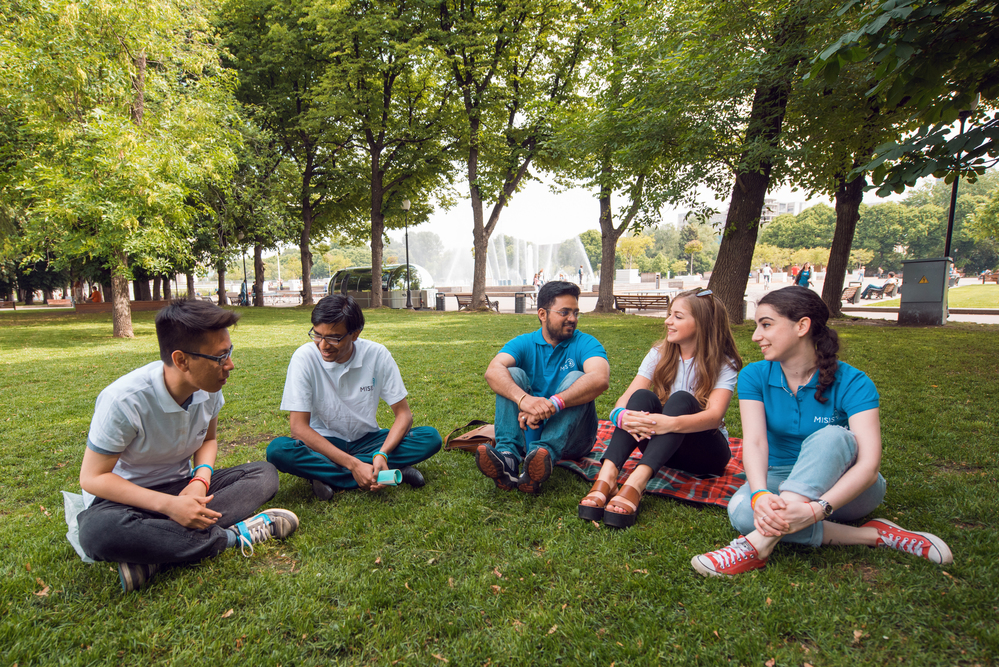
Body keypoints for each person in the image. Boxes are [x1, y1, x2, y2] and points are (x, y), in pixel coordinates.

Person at [691, 286, 952, 577]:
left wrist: (817, 509)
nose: (755, 336)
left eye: (766, 324)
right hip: (780, 476)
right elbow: (755, 442)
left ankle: (758, 544)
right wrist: (760, 494)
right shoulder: (755, 375)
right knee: (743, 512)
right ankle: (873, 535)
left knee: (832, 435)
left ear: (802, 326)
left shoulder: (854, 382)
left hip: (847, 492)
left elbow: (868, 466)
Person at [74, 299, 297, 592]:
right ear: (181, 360)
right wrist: (169, 506)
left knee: (264, 474)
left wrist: (199, 482)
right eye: (220, 357)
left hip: (183, 486)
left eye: (229, 352)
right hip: (128, 500)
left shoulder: (209, 388)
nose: (230, 365)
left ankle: (155, 553)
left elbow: (208, 440)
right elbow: (93, 477)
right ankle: (233, 537)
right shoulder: (124, 400)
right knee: (97, 533)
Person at [578, 289, 742, 528]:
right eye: (669, 314)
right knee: (642, 396)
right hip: (662, 451)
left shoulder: (724, 362)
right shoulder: (659, 353)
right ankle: (608, 476)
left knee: (681, 400)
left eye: (677, 316)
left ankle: (636, 483)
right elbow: (625, 400)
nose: (668, 321)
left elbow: (714, 417)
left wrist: (669, 423)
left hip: (706, 455)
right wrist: (620, 416)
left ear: (702, 323)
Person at [267, 294, 441, 499]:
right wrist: (353, 464)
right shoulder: (304, 357)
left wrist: (382, 453)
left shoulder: (377, 354)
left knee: (430, 437)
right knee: (277, 450)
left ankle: (326, 474)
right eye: (317, 335)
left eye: (333, 337)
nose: (323, 345)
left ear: (355, 334)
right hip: (323, 443)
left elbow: (404, 415)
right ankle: (383, 473)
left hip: (368, 440)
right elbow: (298, 428)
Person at [477, 281, 610, 494]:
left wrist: (552, 405)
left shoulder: (586, 343)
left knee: (578, 377)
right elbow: (492, 371)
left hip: (575, 440)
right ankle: (508, 458)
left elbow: (600, 378)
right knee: (511, 373)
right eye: (564, 312)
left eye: (576, 312)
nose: (573, 318)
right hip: (527, 432)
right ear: (542, 314)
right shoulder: (524, 342)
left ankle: (542, 455)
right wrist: (525, 401)